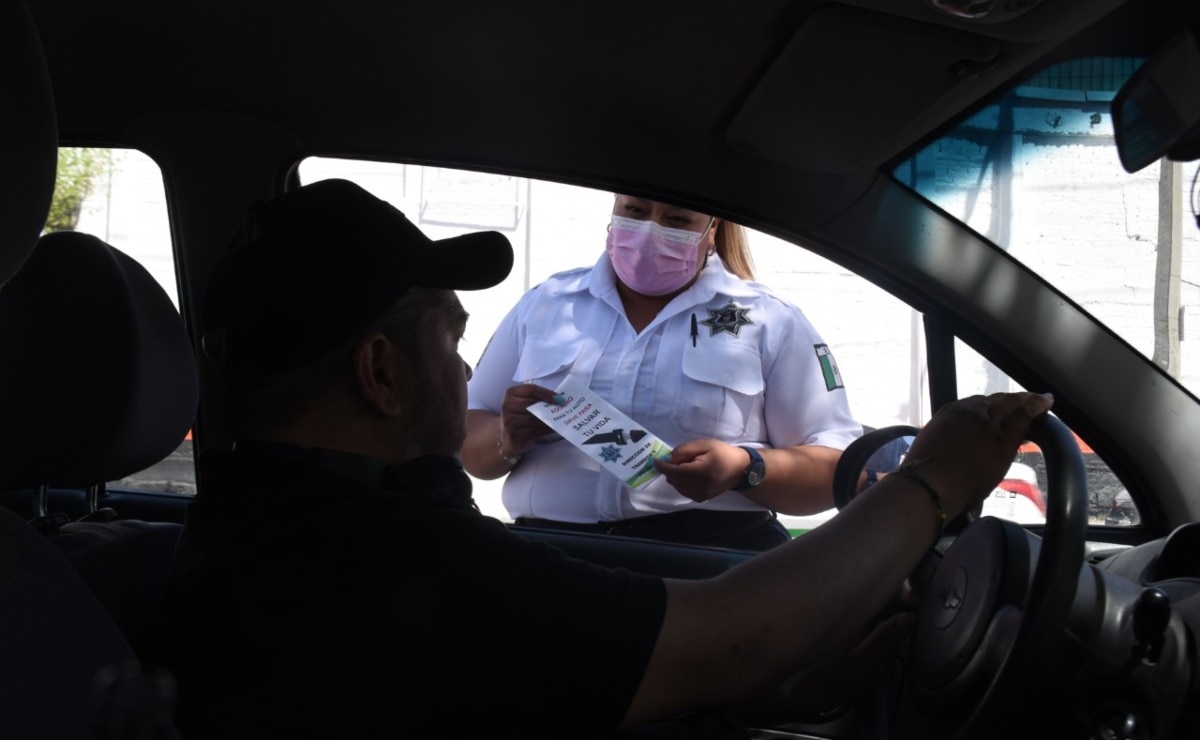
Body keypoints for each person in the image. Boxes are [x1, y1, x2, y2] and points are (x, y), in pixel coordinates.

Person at [155, 178, 1054, 739]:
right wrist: (932, 483)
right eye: (449, 340)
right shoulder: (408, 566)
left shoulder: (241, 539)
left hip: (703, 553)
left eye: (675, 215)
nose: (465, 371)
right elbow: (729, 637)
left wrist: (755, 686)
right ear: (381, 373)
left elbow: (546, 681)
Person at [461, 194, 862, 550]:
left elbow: (835, 469)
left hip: (704, 561)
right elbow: (465, 433)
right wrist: (505, 438)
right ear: (613, 210)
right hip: (552, 555)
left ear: (712, 228)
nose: (650, 230)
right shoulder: (547, 303)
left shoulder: (770, 320)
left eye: (677, 219)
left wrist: (744, 468)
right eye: (635, 211)